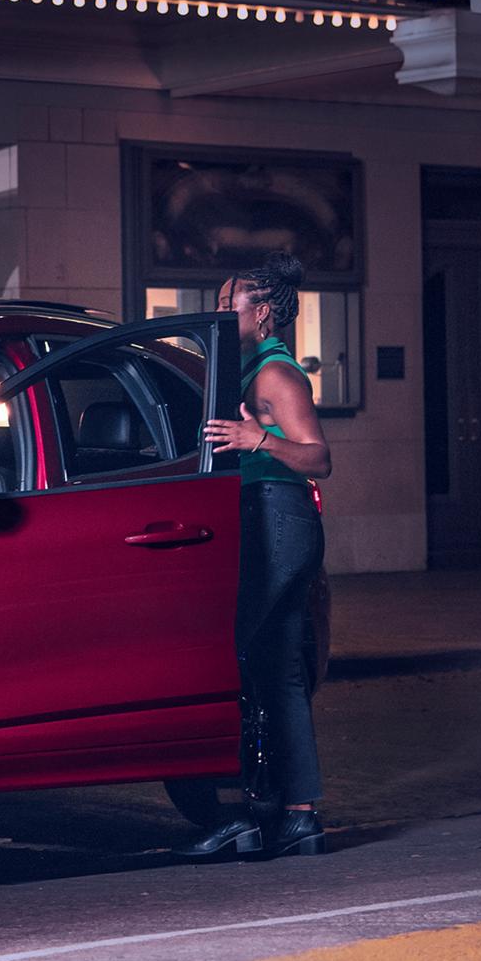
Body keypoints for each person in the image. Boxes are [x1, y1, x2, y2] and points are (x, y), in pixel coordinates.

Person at [178, 252, 334, 862]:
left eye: (228, 303)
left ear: (262, 312)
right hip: (267, 518)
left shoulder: (275, 376)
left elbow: (318, 457)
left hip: (278, 519)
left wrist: (257, 439)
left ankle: (241, 812)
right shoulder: (244, 370)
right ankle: (299, 817)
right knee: (276, 670)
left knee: (236, 658)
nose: (219, 311)